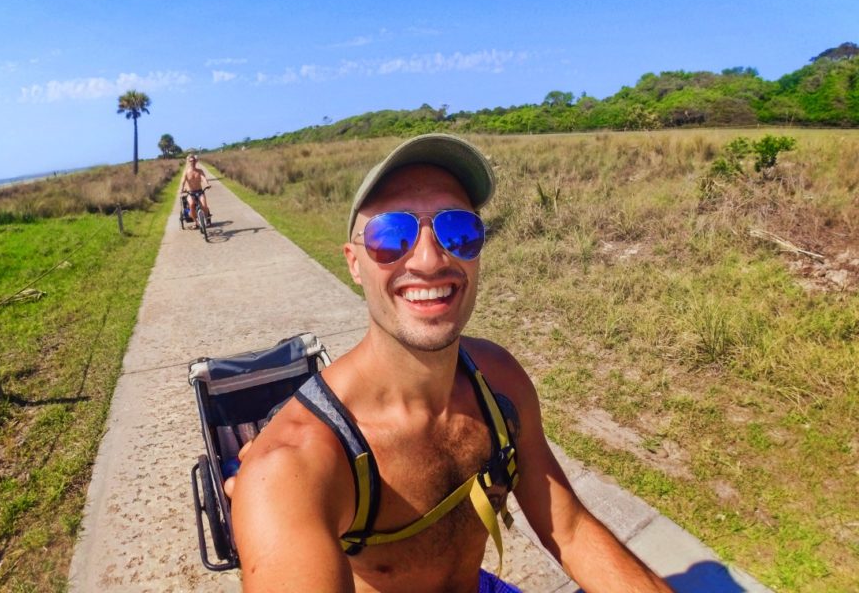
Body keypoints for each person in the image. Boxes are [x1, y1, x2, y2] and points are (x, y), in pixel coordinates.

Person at [229, 134, 673, 593]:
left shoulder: (496, 380)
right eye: (390, 235)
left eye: (457, 229)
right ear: (354, 263)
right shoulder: (292, 465)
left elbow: (571, 530)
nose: (429, 258)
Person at [180, 154, 212, 227]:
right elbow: (183, 181)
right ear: (188, 162)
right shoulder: (186, 172)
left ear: (196, 161)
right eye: (191, 161)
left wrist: (207, 184)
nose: (193, 162)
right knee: (191, 205)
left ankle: (206, 219)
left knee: (204, 205)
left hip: (200, 191)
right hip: (191, 193)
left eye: (194, 160)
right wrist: (182, 189)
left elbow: (203, 178)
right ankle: (196, 222)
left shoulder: (200, 171)